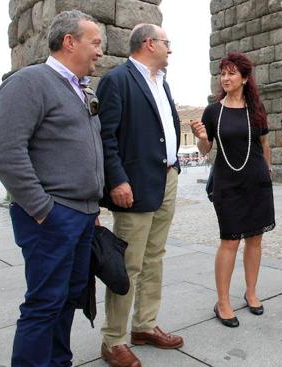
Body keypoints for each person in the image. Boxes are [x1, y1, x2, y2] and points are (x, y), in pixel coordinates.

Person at [0, 10, 104, 366]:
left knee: (69, 297)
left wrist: (91, 208)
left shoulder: (81, 89)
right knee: (44, 303)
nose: (100, 51)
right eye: (95, 42)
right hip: (53, 217)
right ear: (70, 42)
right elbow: (2, 151)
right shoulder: (29, 82)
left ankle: (58, 362)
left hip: (82, 215)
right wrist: (42, 209)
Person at [97, 24, 182, 366]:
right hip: (134, 185)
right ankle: (113, 340)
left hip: (168, 179)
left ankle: (144, 325)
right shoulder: (117, 80)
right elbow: (106, 136)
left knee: (154, 257)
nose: (169, 50)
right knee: (128, 264)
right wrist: (117, 180)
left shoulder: (162, 82)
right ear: (150, 43)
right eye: (166, 43)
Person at [191, 52, 275, 328]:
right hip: (228, 183)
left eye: (231, 73)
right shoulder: (213, 111)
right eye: (222, 73)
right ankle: (223, 301)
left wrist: (268, 172)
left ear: (244, 78)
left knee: (255, 239)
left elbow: (264, 145)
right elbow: (206, 150)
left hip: (257, 181)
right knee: (230, 240)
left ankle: (251, 293)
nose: (225, 78)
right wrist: (202, 139)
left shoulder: (256, 108)